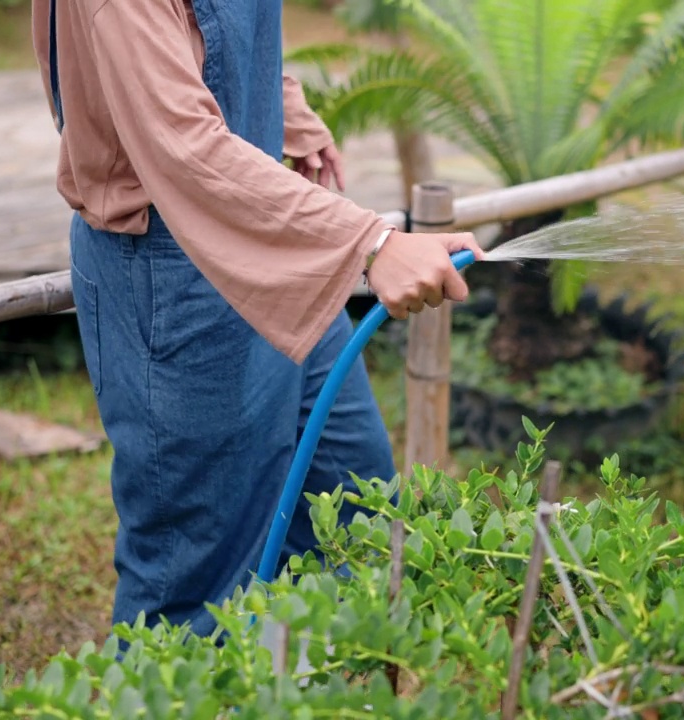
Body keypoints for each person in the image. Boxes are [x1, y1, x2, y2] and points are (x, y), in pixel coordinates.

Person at [29, 0, 482, 638]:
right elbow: (181, 146)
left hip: (265, 233)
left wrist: (282, 109)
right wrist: (371, 245)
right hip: (174, 271)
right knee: (195, 582)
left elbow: (213, 37)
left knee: (352, 504)